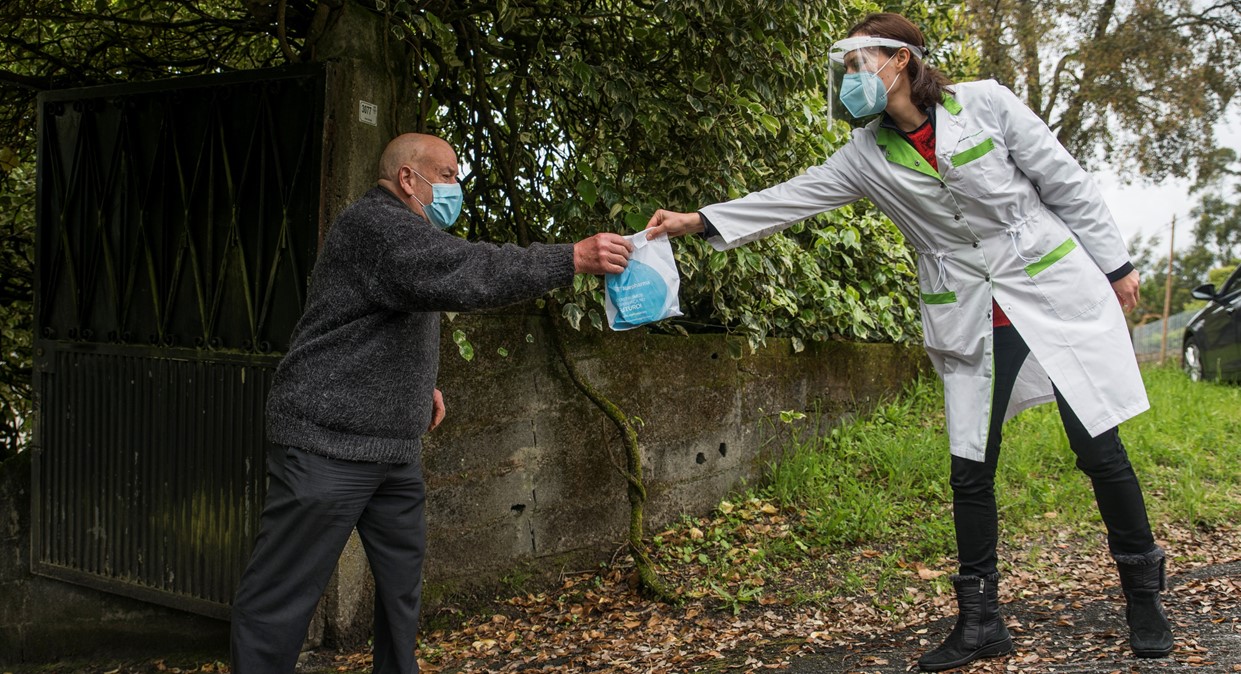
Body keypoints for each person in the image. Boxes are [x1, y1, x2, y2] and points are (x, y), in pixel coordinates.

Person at [644, 13, 1172, 672]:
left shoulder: (983, 103)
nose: (850, 79)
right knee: (970, 467)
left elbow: (1064, 181)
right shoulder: (864, 154)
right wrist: (699, 221)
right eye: (845, 69)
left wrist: (1117, 265)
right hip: (973, 315)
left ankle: (1143, 597)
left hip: (1050, 291)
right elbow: (792, 198)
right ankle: (980, 622)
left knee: (1098, 447)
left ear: (900, 59)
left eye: (858, 64)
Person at [230, 132, 633, 674]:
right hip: (328, 444)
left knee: (401, 593)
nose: (455, 187)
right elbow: (466, 271)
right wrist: (572, 257)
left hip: (393, 451)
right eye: (446, 176)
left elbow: (376, 319)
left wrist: (420, 386)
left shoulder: (407, 233)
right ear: (407, 178)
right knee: (280, 596)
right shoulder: (377, 225)